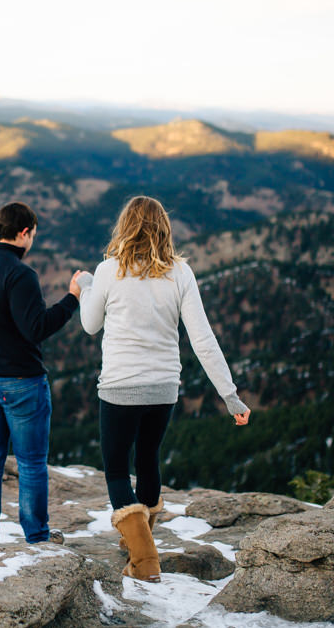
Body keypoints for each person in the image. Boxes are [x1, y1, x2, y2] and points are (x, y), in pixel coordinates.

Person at [76, 195, 251, 582]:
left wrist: (86, 285)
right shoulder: (180, 274)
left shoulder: (108, 270)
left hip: (120, 387)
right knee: (149, 459)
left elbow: (90, 324)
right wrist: (230, 395)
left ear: (125, 227)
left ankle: (145, 559)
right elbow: (203, 339)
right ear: (164, 229)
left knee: (117, 471)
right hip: (163, 387)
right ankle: (140, 538)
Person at [0, 201, 84, 546]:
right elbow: (36, 327)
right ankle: (37, 538)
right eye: (34, 235)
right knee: (31, 464)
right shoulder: (20, 274)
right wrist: (72, 299)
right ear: (24, 232)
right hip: (22, 382)